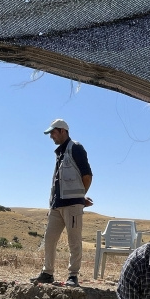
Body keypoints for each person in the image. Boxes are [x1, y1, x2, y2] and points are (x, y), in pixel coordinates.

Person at [31, 119, 93, 288]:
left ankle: (73, 275)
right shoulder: (60, 153)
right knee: (49, 239)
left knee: (74, 241)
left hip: (72, 205)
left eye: (53, 132)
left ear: (63, 131)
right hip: (56, 205)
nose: (51, 136)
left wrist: (79, 197)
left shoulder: (76, 148)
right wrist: (52, 203)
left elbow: (87, 176)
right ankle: (47, 273)